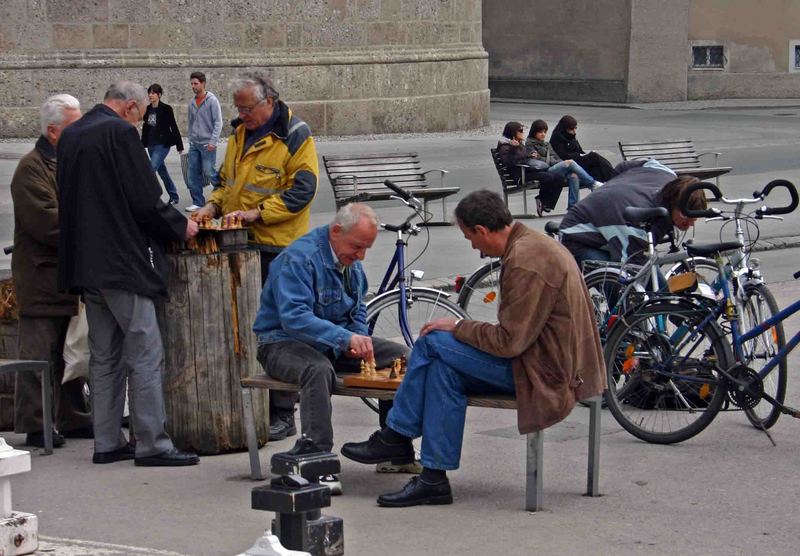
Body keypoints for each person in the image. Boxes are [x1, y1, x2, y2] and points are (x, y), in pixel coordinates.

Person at [341, 190, 605, 507]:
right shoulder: (529, 245)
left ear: (482, 230)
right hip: (549, 362)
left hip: (546, 374)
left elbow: (509, 342)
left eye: (470, 238)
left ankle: (396, 435)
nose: (474, 247)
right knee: (443, 371)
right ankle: (433, 480)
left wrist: (458, 327)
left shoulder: (525, 261)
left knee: (431, 342)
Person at [57, 80, 200, 467]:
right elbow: (145, 197)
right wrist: (180, 226)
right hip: (121, 263)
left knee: (104, 356)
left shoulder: (73, 135)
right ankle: (153, 443)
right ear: (132, 108)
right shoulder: (119, 132)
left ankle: (107, 441)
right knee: (145, 350)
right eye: (138, 116)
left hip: (86, 265)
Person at [193, 72, 319, 441]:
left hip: (277, 246)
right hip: (240, 243)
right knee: (247, 329)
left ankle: (283, 412)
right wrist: (211, 207)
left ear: (268, 102)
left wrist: (258, 213)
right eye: (238, 108)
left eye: (247, 108)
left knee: (279, 331)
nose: (242, 114)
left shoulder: (295, 134)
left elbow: (303, 191)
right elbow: (224, 182)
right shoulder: (238, 134)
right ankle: (252, 404)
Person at [253, 203, 409, 494]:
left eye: (366, 249)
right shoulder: (299, 259)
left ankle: (394, 443)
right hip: (281, 343)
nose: (361, 256)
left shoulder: (349, 260)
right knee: (317, 369)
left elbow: (359, 307)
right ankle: (317, 454)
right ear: (336, 231)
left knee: (404, 357)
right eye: (358, 247)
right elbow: (294, 319)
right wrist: (344, 338)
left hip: (333, 342)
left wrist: (358, 339)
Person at [10, 94, 92, 449]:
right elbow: (47, 222)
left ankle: (73, 418)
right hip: (42, 277)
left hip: (66, 275)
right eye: (76, 126)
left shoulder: (67, 161)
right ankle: (35, 424)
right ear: (55, 131)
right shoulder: (31, 168)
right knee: (39, 353)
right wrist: (93, 228)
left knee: (71, 351)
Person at [558, 160, 707, 267]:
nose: (690, 224)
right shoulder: (636, 222)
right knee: (622, 286)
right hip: (577, 236)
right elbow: (632, 265)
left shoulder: (667, 174)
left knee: (656, 287)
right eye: (686, 216)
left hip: (611, 213)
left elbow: (626, 166)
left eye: (695, 218)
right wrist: (610, 197)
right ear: (673, 202)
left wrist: (614, 184)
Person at [526, 119, 602, 208]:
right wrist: (558, 162)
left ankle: (573, 207)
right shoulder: (529, 145)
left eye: (545, 132)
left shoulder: (546, 144)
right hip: (545, 171)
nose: (543, 134)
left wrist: (559, 163)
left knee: (574, 176)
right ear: (534, 132)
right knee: (570, 162)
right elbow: (538, 161)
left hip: (554, 168)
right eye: (540, 132)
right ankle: (592, 184)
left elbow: (556, 157)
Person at [496, 121, 566, 216]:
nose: (523, 132)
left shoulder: (519, 144)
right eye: (520, 130)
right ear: (512, 133)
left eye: (523, 130)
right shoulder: (505, 146)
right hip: (521, 175)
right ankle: (541, 199)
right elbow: (509, 162)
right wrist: (514, 148)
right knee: (548, 177)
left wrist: (531, 154)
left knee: (559, 177)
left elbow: (524, 155)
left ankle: (546, 204)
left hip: (529, 171)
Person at [185, 71, 223, 212]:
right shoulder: (191, 102)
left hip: (208, 144)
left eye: (196, 83)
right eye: (192, 84)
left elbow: (218, 122)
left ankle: (222, 196)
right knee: (192, 173)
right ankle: (198, 201)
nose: (193, 86)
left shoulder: (212, 100)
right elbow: (191, 122)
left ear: (203, 83)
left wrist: (213, 142)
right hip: (195, 143)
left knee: (210, 172)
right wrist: (191, 138)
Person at [141, 83, 184, 205]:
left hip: (162, 144)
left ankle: (147, 198)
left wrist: (179, 145)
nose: (150, 95)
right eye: (149, 93)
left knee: (151, 169)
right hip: (151, 144)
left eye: (153, 93)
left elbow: (173, 126)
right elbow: (146, 128)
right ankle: (174, 196)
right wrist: (141, 144)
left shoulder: (166, 109)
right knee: (162, 171)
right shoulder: (147, 109)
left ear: (159, 95)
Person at [550, 115, 618, 182]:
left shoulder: (571, 136)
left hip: (577, 160)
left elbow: (580, 150)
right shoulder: (557, 137)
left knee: (597, 171)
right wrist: (580, 155)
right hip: (569, 163)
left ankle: (606, 187)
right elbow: (562, 155)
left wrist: (584, 154)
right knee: (594, 156)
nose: (574, 131)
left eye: (575, 128)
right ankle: (615, 177)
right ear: (564, 128)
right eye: (571, 129)